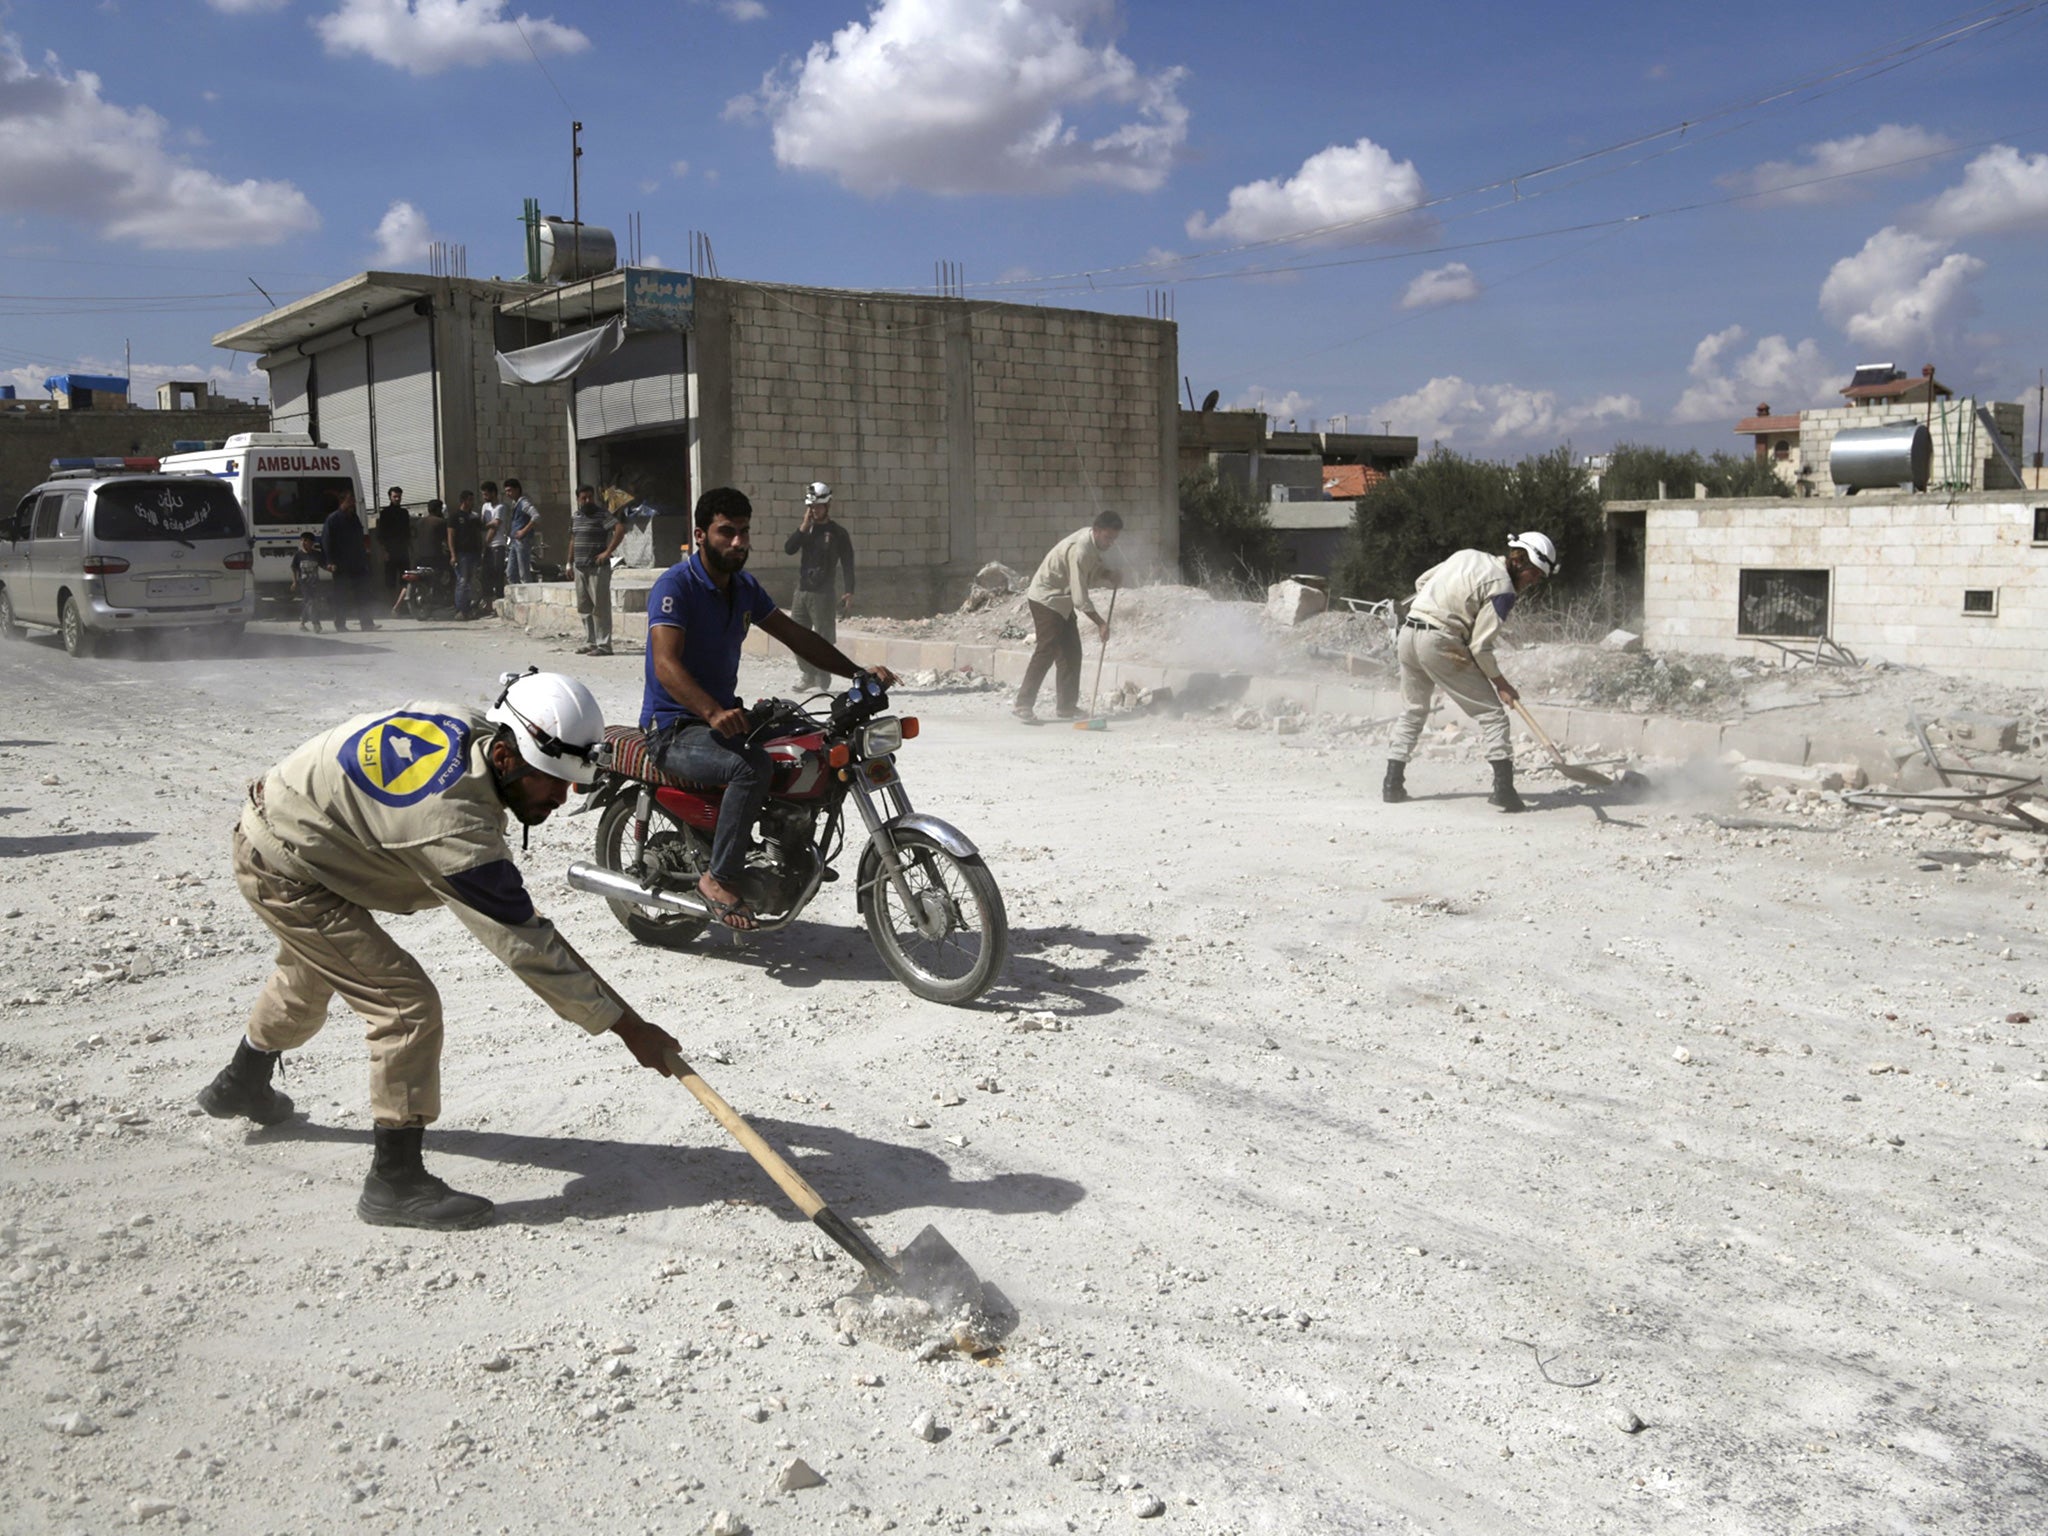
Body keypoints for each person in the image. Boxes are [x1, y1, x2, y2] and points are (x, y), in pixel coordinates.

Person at [195, 670, 683, 1230]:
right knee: (404, 1007)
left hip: (306, 834)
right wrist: (627, 1027)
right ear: (504, 758)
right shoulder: (453, 826)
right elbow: (527, 944)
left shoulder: (468, 727)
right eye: (550, 780)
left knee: (311, 976)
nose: (560, 795)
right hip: (287, 865)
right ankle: (395, 1184)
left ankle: (240, 1084)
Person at [641, 487, 896, 930]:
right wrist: (711, 712)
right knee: (751, 767)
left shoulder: (743, 588)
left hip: (720, 720)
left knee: (805, 743)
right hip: (676, 728)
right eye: (726, 533)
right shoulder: (675, 586)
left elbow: (796, 635)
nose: (738, 542)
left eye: (744, 533)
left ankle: (786, 855)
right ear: (701, 535)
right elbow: (666, 664)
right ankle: (718, 879)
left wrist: (857, 673)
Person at [1382, 531, 1558, 814]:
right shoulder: (1503, 589)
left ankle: (1392, 784)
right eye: (1534, 575)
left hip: (1409, 634)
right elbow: (1480, 646)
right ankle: (1504, 791)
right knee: (1492, 715)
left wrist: (1441, 607)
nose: (1533, 582)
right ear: (1522, 563)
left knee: (1413, 709)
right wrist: (1502, 684)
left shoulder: (1468, 555)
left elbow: (1422, 582)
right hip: (1439, 642)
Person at [1014, 511, 1122, 723]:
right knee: (1047, 649)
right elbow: (1080, 597)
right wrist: (1100, 623)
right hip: (1046, 598)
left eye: (1114, 539)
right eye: (1108, 537)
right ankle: (1023, 704)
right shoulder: (1081, 549)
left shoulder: (1092, 545)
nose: (1110, 543)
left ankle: (1066, 707)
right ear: (1097, 531)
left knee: (1071, 652)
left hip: (1061, 601)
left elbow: (1091, 570)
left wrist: (1108, 574)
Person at [782, 480, 856, 692]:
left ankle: (823, 681)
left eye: (817, 507)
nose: (813, 510)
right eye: (810, 507)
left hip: (823, 595)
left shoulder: (837, 533)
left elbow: (848, 562)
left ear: (827, 506)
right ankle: (809, 674)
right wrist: (803, 527)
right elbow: (789, 549)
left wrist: (849, 591)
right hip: (802, 592)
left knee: (823, 640)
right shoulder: (806, 531)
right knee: (795, 636)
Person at [571, 484, 627, 656]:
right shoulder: (576, 516)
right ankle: (591, 642)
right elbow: (573, 539)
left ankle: (604, 645)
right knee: (584, 607)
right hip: (580, 567)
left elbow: (619, 529)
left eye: (590, 497)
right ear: (578, 499)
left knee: (600, 607)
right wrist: (568, 562)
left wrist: (608, 552)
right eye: (584, 498)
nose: (588, 500)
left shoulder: (602, 515)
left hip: (597, 568)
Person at [320, 487, 377, 632]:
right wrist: (330, 562)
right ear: (342, 502)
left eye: (353, 502)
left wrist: (365, 557)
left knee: (363, 593)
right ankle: (340, 624)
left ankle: (367, 623)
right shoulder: (333, 519)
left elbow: (360, 539)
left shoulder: (354, 518)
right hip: (341, 564)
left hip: (357, 562)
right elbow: (326, 542)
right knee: (341, 596)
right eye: (350, 502)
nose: (353, 505)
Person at [447, 490, 485, 619]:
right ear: (463, 501)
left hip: (474, 553)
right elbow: (451, 536)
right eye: (470, 500)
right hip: (461, 554)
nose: (472, 502)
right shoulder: (455, 517)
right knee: (462, 581)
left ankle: (469, 609)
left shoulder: (474, 517)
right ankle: (460, 610)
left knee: (471, 582)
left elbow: (481, 531)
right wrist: (453, 554)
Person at [375, 487, 411, 599]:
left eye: (399, 496)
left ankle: (401, 604)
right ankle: (392, 603)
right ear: (390, 497)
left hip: (403, 550)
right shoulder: (385, 513)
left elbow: (407, 532)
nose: (397, 499)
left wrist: (410, 548)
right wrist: (384, 551)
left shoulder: (404, 513)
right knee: (390, 580)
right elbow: (381, 534)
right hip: (390, 551)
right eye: (395, 496)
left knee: (405, 578)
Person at [290, 530, 328, 633]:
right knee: (311, 601)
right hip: (304, 583)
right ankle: (316, 624)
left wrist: (330, 567)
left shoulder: (317, 554)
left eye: (306, 541)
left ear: (311, 543)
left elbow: (323, 565)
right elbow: (294, 568)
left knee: (311, 603)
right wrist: (294, 581)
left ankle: (302, 622)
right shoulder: (298, 555)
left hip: (315, 582)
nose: (303, 543)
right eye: (302, 540)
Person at [503, 478, 539, 585]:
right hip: (514, 542)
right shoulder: (516, 504)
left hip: (522, 541)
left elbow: (536, 516)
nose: (508, 494)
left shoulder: (524, 503)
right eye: (506, 491)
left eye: (510, 490)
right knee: (510, 573)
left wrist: (524, 531)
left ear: (517, 489)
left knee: (524, 573)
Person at [480, 481, 507, 606]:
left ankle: (499, 599)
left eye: (486, 494)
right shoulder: (485, 507)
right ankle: (488, 602)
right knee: (486, 574)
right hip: (487, 545)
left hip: (497, 544)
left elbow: (495, 525)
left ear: (493, 493)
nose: (485, 497)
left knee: (497, 573)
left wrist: (485, 543)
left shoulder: (500, 507)